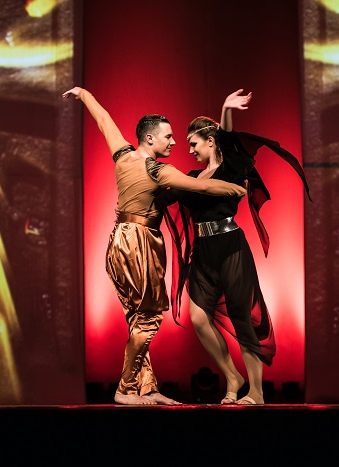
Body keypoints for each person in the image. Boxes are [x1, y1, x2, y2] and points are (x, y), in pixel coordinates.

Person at [62, 86, 247, 405]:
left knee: (137, 318)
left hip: (118, 240)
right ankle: (125, 390)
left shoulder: (122, 154)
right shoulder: (159, 171)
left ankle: (146, 387)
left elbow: (104, 120)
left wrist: (83, 93)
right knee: (148, 319)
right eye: (169, 137)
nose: (174, 142)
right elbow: (202, 186)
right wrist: (235, 190)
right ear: (150, 138)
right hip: (139, 243)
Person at [163, 89, 311, 405]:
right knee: (198, 318)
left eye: (194, 143)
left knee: (242, 317)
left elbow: (229, 141)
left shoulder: (230, 168)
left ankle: (256, 392)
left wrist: (225, 110)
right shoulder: (193, 176)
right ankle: (233, 377)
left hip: (230, 246)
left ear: (210, 141)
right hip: (203, 252)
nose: (189, 149)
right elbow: (166, 196)